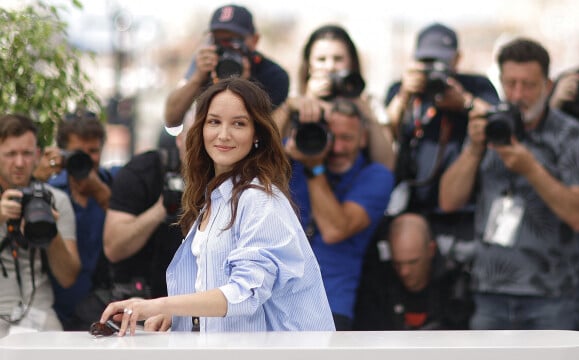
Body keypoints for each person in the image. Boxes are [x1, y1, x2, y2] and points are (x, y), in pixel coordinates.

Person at [98, 77, 335, 335]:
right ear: (200, 129)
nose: (223, 134)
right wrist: (174, 313)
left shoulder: (260, 199)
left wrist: (157, 305)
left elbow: (245, 293)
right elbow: (215, 284)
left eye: (239, 123)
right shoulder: (217, 195)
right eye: (214, 122)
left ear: (257, 134)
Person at [439, 37, 579, 330]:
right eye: (511, 83)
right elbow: (448, 201)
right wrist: (473, 150)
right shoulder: (489, 126)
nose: (518, 94)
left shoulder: (569, 135)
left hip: (552, 294)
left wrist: (532, 170)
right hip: (489, 290)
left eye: (528, 85)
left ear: (548, 86)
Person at [383, 22, 499, 250]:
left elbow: (498, 120)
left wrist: (465, 102)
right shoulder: (402, 89)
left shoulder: (475, 85)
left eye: (441, 62)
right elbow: (384, 129)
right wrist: (405, 95)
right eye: (426, 62)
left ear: (457, 59)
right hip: (411, 210)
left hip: (463, 213)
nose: (433, 69)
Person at [286, 97, 394, 330]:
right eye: (331, 137)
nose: (337, 148)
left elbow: (335, 230)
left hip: (331, 303)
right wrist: (287, 108)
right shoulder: (296, 157)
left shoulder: (376, 176)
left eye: (347, 138)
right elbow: (251, 150)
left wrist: (315, 168)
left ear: (363, 139)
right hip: (278, 299)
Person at [32, 111, 117, 330]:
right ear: (62, 153)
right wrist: (35, 179)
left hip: (102, 309)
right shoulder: (50, 191)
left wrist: (101, 192)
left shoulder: (115, 183)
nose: (87, 159)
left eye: (94, 151)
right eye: (78, 153)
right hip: (57, 307)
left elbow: (126, 227)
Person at [0, 114, 80, 337]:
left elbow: (68, 277)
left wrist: (49, 231)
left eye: (26, 154)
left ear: (37, 155)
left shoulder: (54, 200)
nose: (19, 163)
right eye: (10, 154)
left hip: (39, 312)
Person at [274, 24, 395, 170]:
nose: (330, 67)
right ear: (309, 65)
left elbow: (386, 164)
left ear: (351, 63)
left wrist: (362, 109)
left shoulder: (369, 102)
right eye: (321, 59)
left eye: (338, 59)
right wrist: (308, 100)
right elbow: (275, 149)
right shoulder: (294, 100)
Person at [164, 4, 289, 128]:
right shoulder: (207, 66)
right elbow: (171, 120)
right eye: (218, 41)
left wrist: (243, 86)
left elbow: (261, 134)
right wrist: (197, 79)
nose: (225, 46)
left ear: (254, 40)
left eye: (234, 41)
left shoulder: (273, 75)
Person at [102, 126, 187, 307]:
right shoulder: (144, 171)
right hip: (143, 295)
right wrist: (162, 207)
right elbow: (113, 248)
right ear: (179, 140)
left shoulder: (229, 180)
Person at [353, 213, 473, 330]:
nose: (404, 271)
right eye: (397, 263)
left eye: (413, 262)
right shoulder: (377, 286)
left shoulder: (453, 286)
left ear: (431, 249)